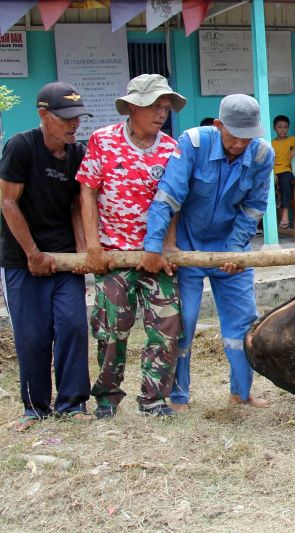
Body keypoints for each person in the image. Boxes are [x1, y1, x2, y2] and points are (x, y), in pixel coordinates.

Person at [141, 94, 273, 410]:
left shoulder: (261, 155)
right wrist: (154, 246)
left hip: (233, 250)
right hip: (188, 250)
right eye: (234, 136)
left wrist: (233, 251)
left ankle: (241, 393)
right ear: (218, 125)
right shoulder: (193, 144)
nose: (241, 143)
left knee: (242, 325)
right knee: (183, 322)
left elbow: (254, 209)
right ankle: (179, 396)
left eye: (248, 137)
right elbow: (168, 197)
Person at [77, 74, 186, 418]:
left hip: (156, 256)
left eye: (166, 107)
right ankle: (107, 398)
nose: (162, 113)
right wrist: (92, 245)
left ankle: (153, 399)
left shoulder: (170, 148)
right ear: (133, 107)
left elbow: (173, 203)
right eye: (155, 106)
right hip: (114, 254)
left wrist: (167, 248)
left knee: (167, 327)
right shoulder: (102, 141)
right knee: (111, 329)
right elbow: (87, 191)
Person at [0, 82, 93, 431]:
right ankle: (35, 407)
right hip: (22, 259)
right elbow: (7, 203)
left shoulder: (77, 153)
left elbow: (75, 203)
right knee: (32, 335)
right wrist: (32, 253)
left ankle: (72, 403)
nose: (74, 125)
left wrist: (83, 247)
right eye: (66, 118)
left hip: (64, 257)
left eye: (78, 118)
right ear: (43, 115)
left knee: (72, 325)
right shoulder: (21, 147)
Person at [271, 115, 295, 229]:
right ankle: (269, 221)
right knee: (267, 186)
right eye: (279, 127)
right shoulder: (271, 143)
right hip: (274, 171)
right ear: (274, 128)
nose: (282, 130)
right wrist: (272, 173)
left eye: (285, 127)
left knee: (285, 181)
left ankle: (285, 213)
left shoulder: (292, 140)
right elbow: (269, 160)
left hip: (286, 171)